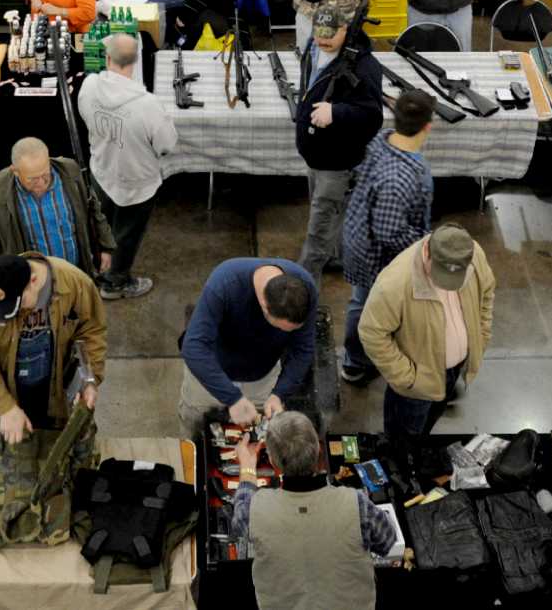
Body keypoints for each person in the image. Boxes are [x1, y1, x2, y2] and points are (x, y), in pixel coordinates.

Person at [226, 409, 395, 610]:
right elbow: (387, 541)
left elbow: (238, 522)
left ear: (274, 465)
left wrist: (247, 466)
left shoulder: (256, 509)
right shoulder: (355, 503)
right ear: (319, 452)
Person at [336, 83, 434, 383]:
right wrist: (424, 245)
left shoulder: (381, 139)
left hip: (356, 233)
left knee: (362, 303)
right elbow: (388, 231)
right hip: (377, 256)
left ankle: (357, 357)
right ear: (428, 126)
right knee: (368, 305)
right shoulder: (400, 178)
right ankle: (357, 361)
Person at [359, 225, 494, 435]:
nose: (448, 285)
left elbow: (487, 291)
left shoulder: (472, 254)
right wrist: (409, 379)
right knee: (404, 435)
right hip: (415, 386)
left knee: (427, 425)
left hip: (454, 370)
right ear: (427, 253)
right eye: (441, 276)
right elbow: (371, 332)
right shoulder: (394, 283)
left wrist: (481, 336)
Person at [0, 252, 106, 439]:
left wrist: (89, 381)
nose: (13, 314)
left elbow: (93, 331)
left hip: (49, 388)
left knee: (46, 443)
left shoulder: (76, 283)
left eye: (18, 304)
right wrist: (5, 407)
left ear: (34, 281)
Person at [74, 32, 170, 301]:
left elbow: (85, 118)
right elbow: (166, 144)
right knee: (126, 234)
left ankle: (98, 269)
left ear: (107, 58)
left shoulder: (90, 85)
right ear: (136, 60)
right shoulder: (148, 105)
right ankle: (115, 283)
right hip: (136, 182)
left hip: (102, 172)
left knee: (100, 225)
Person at [176, 257, 317, 433]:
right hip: (210, 371)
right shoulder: (224, 283)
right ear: (264, 307)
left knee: (259, 434)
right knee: (194, 422)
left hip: (262, 378)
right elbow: (194, 347)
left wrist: (279, 393)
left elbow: (303, 349)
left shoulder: (305, 289)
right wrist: (233, 398)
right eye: (282, 329)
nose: (287, 334)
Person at [0, 135, 115, 281]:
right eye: (32, 179)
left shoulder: (71, 171)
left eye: (45, 175)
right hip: (33, 284)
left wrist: (106, 247)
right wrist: (5, 263)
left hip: (77, 273)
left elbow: (94, 210)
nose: (41, 183)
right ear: (15, 171)